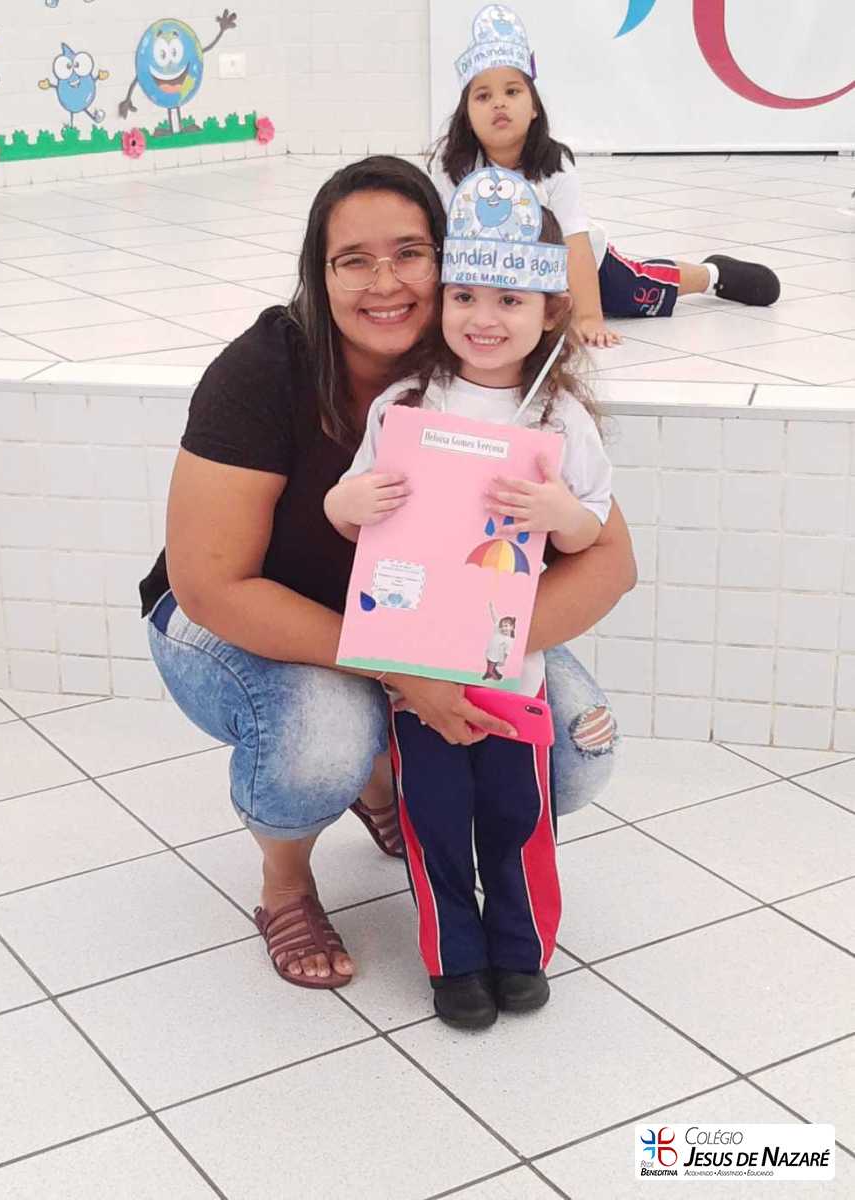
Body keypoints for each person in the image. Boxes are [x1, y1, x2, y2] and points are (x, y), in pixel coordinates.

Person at [139, 155, 636, 994]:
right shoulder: (265, 372)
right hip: (241, 621)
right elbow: (211, 587)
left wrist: (466, 659)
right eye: (353, 260)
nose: (385, 282)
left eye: (410, 253)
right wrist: (404, 671)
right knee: (323, 736)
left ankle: (385, 786)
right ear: (319, 273)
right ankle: (286, 883)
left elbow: (610, 560)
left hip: (430, 623)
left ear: (452, 258)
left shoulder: (520, 395)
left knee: (572, 754)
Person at [325, 171, 612, 1027]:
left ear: (550, 311)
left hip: (514, 669)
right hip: (417, 665)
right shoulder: (405, 405)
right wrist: (350, 501)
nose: (484, 318)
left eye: (510, 300)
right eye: (464, 296)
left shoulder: (560, 420)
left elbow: (592, 528)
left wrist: (560, 513)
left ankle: (521, 949)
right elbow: (346, 507)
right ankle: (453, 958)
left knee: (517, 812)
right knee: (437, 814)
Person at [429, 4, 781, 349]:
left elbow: (575, 243)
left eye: (512, 91)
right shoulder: (451, 168)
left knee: (640, 289)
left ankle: (712, 275)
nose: (499, 103)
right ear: (466, 115)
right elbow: (445, 245)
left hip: (583, 266)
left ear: (534, 107)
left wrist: (588, 317)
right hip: (501, 277)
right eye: (483, 96)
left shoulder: (553, 164)